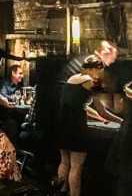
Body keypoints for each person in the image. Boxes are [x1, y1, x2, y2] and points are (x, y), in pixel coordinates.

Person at [55, 55, 121, 196]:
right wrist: (121, 121)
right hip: (76, 128)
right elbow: (102, 110)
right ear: (93, 69)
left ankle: (59, 191)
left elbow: (81, 106)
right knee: (77, 167)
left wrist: (98, 117)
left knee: (64, 163)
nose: (101, 74)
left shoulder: (71, 79)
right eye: (100, 70)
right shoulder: (91, 82)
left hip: (61, 125)